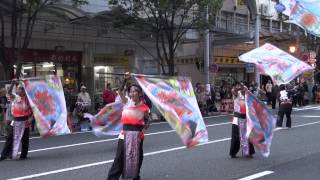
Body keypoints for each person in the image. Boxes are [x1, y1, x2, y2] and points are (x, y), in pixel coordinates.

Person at [107, 73, 150, 180]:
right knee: (119, 158)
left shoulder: (144, 107)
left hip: (137, 135)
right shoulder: (127, 102)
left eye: (134, 91)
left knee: (137, 158)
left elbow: (148, 120)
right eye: (130, 91)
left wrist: (146, 125)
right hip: (124, 134)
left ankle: (135, 176)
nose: (132, 93)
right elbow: (120, 92)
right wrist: (124, 80)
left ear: (140, 94)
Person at [0, 84, 33, 161]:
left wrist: (31, 118)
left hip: (25, 120)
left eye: (19, 89)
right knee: (9, 137)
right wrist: (12, 84)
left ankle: (24, 155)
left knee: (25, 139)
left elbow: (34, 109)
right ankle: (4, 155)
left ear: (23, 90)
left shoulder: (29, 99)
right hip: (15, 120)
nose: (17, 90)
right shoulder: (15, 97)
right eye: (17, 89)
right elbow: (9, 92)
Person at [229, 82, 255, 158]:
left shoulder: (247, 94)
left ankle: (249, 152)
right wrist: (240, 88)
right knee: (236, 135)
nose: (242, 87)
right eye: (240, 86)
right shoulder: (236, 93)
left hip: (246, 116)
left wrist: (246, 90)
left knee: (248, 134)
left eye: (244, 85)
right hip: (237, 116)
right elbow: (233, 90)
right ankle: (233, 152)